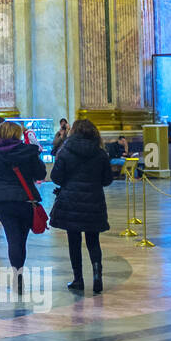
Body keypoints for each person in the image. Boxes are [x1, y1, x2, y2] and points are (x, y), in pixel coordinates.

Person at [49, 118, 113, 295]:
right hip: (93, 201)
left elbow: (56, 177)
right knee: (93, 241)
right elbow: (107, 180)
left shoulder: (66, 151)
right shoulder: (100, 153)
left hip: (70, 202)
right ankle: (97, 275)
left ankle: (78, 279)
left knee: (74, 241)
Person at [0, 121, 46, 293]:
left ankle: (17, 275)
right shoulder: (29, 151)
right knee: (22, 239)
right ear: (18, 134)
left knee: (12, 238)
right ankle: (20, 270)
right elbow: (41, 174)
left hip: (5, 201)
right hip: (25, 200)